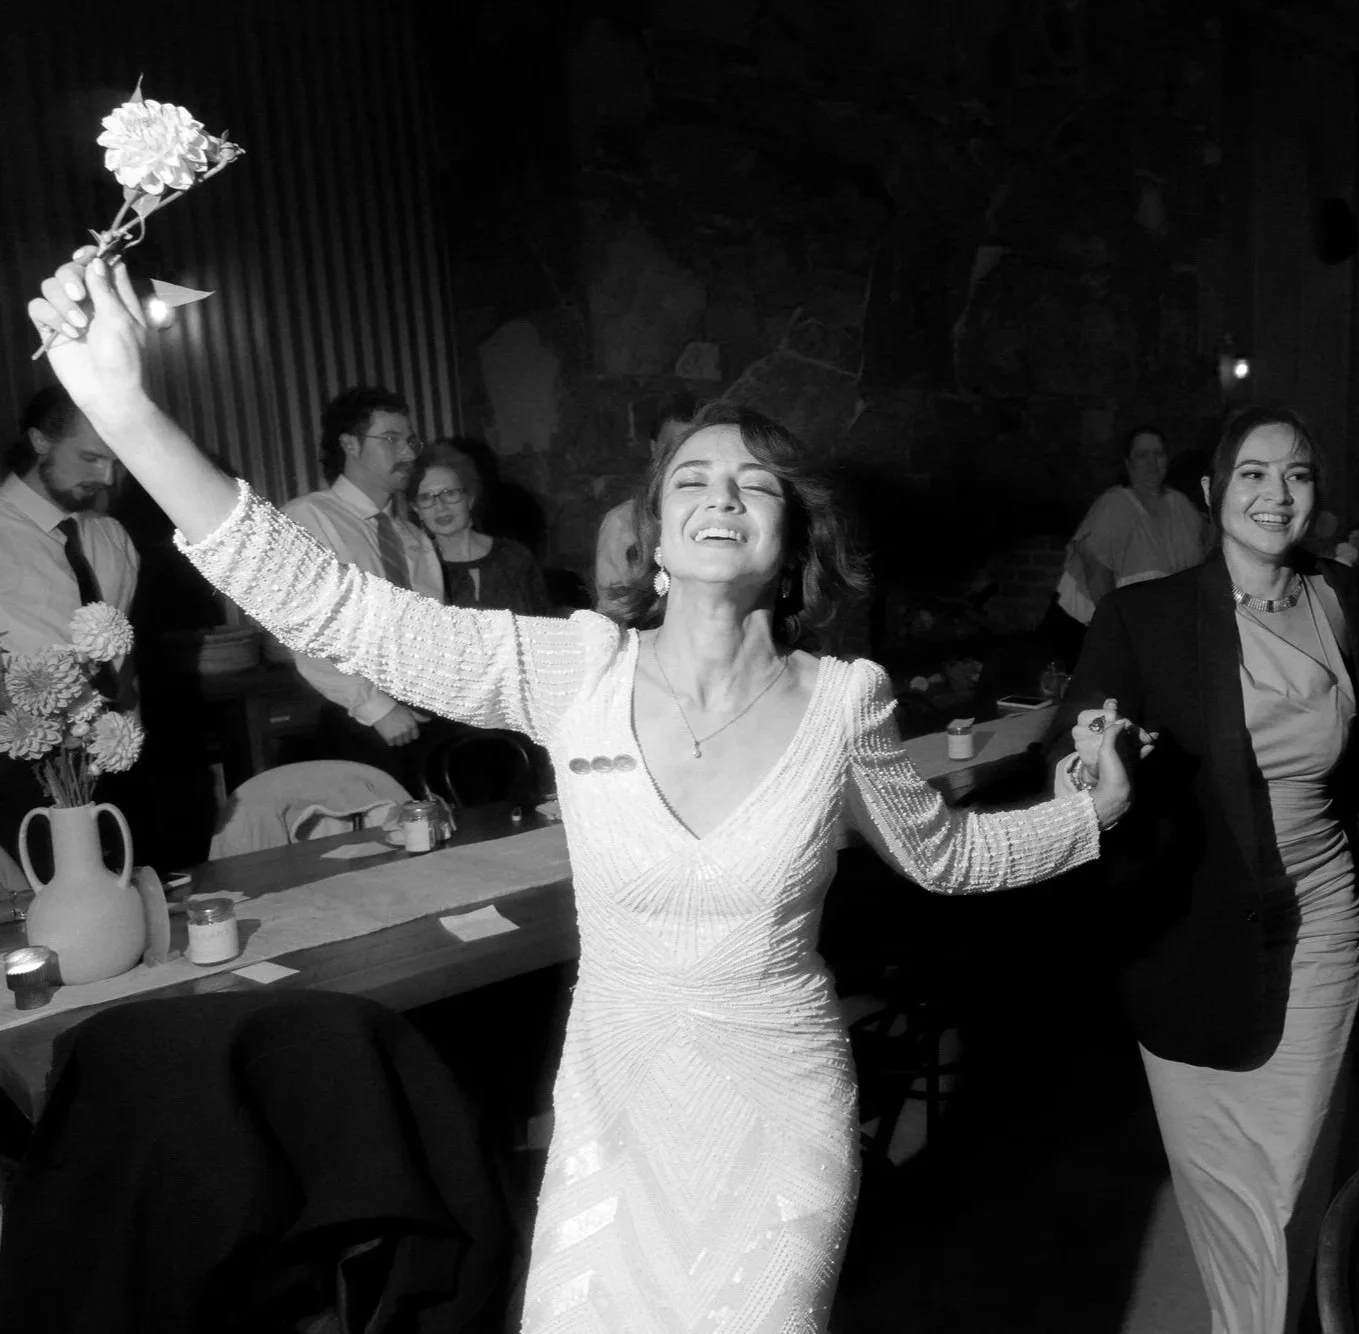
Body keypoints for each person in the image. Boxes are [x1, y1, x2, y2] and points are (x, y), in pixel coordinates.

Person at [28, 249, 1148, 1334]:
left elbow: (942, 853)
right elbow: (333, 606)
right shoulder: (578, 669)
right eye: (692, 481)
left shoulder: (840, 700)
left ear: (788, 534)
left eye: (753, 484)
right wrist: (126, 410)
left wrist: (1084, 814)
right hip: (614, 1117)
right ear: (654, 533)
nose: (721, 496)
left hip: (778, 1110)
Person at [1048, 406, 1359, 1334]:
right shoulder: (1144, 615)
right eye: (1253, 474)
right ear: (1212, 492)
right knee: (1225, 1187)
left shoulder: (1343, 597)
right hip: (1190, 930)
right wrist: (1088, 762)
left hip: (1323, 918)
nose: (1277, 495)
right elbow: (1074, 730)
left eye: (1298, 475)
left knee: (1286, 1179)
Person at [280, 385, 445, 791]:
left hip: (424, 715)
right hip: (356, 719)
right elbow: (307, 629)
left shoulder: (411, 534)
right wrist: (375, 706)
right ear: (349, 444)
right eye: (391, 439)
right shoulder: (310, 517)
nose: (408, 453)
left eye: (410, 441)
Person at [0, 384, 139, 860]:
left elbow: (121, 644)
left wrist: (130, 723)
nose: (106, 476)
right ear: (40, 441)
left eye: (115, 462)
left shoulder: (112, 537)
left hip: (109, 758)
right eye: (90, 458)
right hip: (23, 767)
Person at [1040, 424, 1209, 662]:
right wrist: (1117, 637)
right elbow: (1098, 576)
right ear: (1128, 464)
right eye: (1142, 455)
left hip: (1157, 634)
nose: (1151, 462)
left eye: (1158, 454)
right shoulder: (1113, 506)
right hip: (1096, 633)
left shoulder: (1181, 506)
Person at [410, 441, 555, 616]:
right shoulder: (417, 568)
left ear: (469, 498)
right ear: (416, 509)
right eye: (426, 498)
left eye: (450, 493)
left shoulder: (514, 557)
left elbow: (545, 621)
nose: (440, 507)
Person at [593, 394, 696, 601]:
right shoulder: (623, 523)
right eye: (672, 448)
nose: (682, 459)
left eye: (693, 449)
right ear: (654, 448)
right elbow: (613, 611)